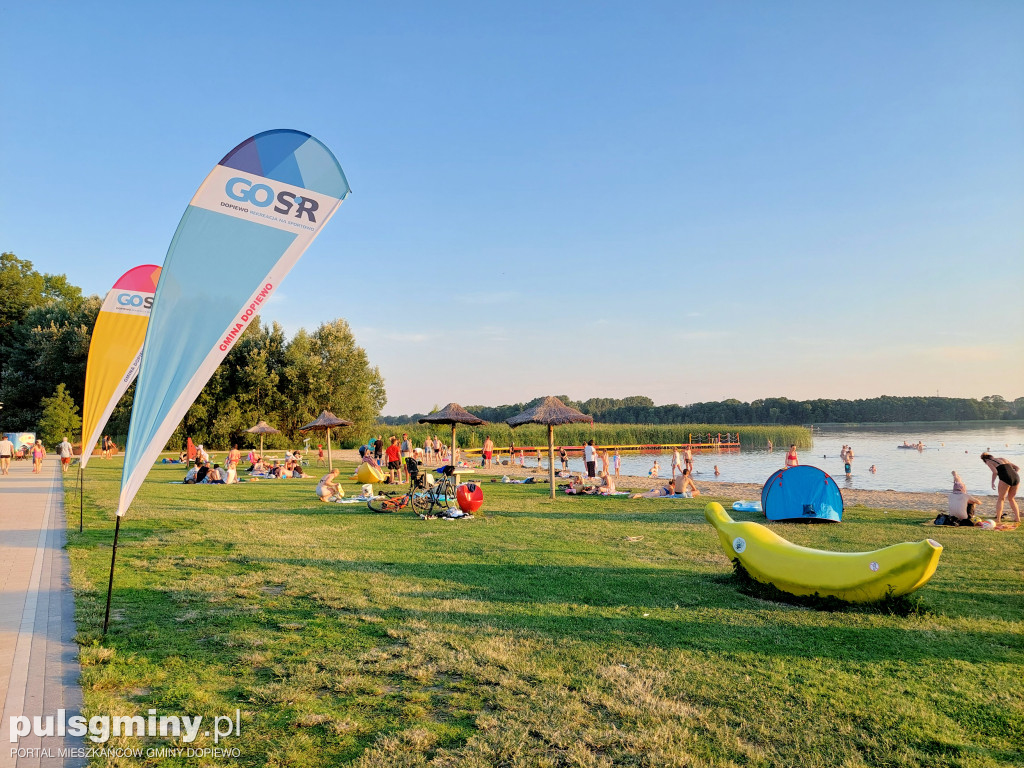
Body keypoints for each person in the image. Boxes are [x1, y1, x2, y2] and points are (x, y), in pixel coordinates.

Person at [981, 453, 1020, 524]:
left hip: (1005, 478)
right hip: (1016, 477)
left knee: (1001, 499)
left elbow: (995, 472)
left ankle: (998, 519)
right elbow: (1017, 468)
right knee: (1011, 498)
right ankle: (1017, 518)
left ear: (985, 460)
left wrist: (992, 482)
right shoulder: (1003, 459)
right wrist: (1011, 474)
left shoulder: (988, 462)